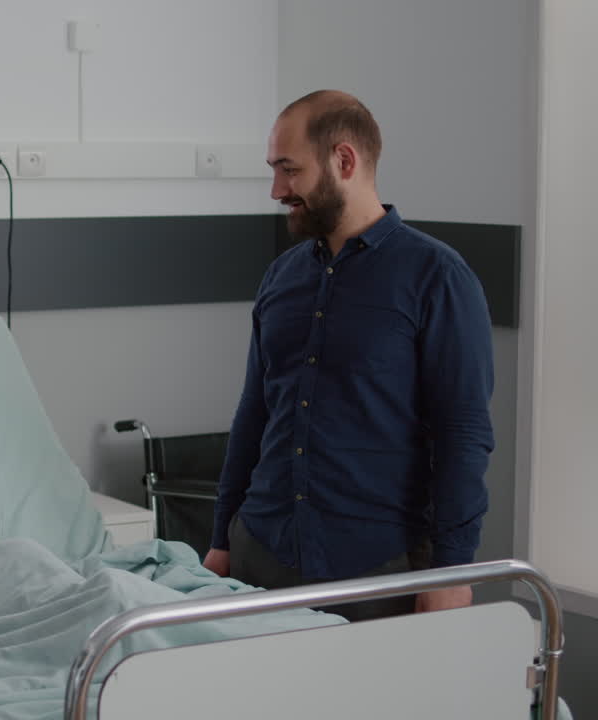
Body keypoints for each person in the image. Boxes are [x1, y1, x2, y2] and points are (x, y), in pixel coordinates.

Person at [201, 90, 495, 621]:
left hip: (376, 567)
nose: (277, 190)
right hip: (260, 554)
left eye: (289, 170)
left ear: (343, 161)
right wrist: (222, 537)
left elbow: (464, 433)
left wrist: (452, 572)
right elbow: (253, 415)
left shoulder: (437, 278)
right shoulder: (281, 276)